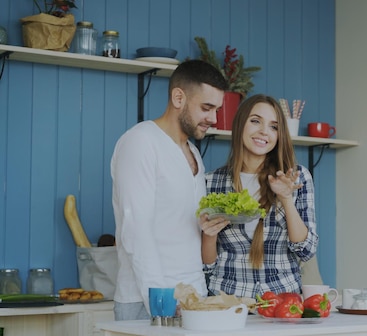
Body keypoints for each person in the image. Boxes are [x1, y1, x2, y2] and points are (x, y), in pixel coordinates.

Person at [110, 60, 228, 321]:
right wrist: (161, 303)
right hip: (147, 302)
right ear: (178, 97)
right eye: (206, 108)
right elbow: (135, 230)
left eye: (217, 110)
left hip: (193, 299)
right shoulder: (140, 142)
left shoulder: (193, 152)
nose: (213, 119)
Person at [200, 94, 319, 298]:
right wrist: (209, 235)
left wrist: (286, 199)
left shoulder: (296, 177)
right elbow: (208, 266)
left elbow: (305, 251)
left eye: (274, 126)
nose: (264, 131)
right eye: (255, 121)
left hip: (282, 303)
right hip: (226, 301)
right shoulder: (211, 181)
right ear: (240, 125)